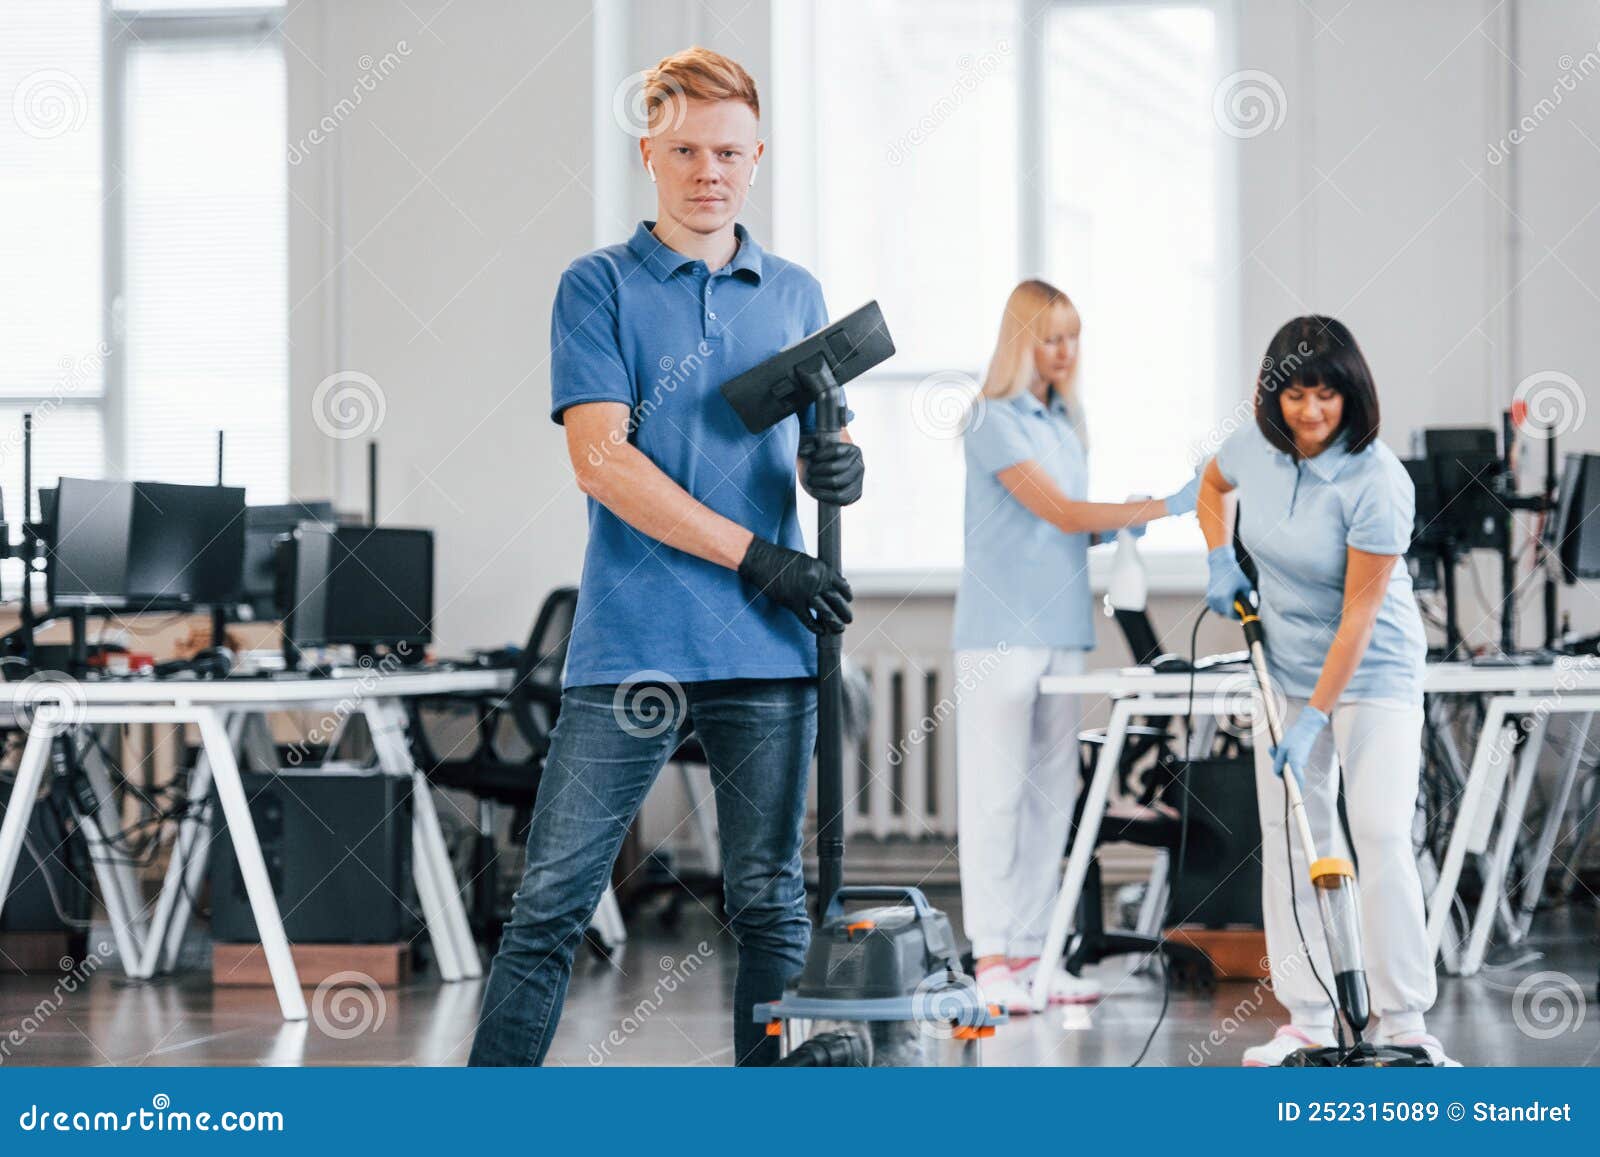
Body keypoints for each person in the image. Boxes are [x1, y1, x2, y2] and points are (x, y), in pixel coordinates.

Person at [469, 47, 862, 1068]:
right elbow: (603, 462)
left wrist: (840, 467)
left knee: (769, 902)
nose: (708, 170)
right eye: (685, 148)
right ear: (649, 150)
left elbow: (800, 449)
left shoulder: (793, 291)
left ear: (758, 155)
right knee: (552, 897)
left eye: (729, 150)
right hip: (634, 639)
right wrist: (756, 557)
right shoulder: (595, 286)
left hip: (768, 651)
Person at [1196, 316, 1455, 1066]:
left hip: (1373, 671)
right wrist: (1221, 558)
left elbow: (1360, 615)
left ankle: (1403, 1020)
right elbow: (1211, 485)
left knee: (1376, 831)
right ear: (1274, 397)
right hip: (1281, 668)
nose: (1311, 412)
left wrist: (1315, 718)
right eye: (1297, 395)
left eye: (1327, 394)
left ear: (1352, 394)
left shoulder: (1379, 480)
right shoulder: (1258, 448)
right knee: (1292, 838)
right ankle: (1309, 1015)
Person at [953, 279, 1199, 1013]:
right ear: (1020, 339)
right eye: (1050, 336)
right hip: (1000, 635)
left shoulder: (1066, 422)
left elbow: (1071, 526)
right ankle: (990, 955)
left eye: (1072, 336)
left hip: (1062, 628)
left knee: (1048, 799)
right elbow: (1054, 510)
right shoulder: (991, 419)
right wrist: (1164, 504)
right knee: (995, 798)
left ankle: (1036, 950)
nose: (1064, 351)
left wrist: (1119, 524)